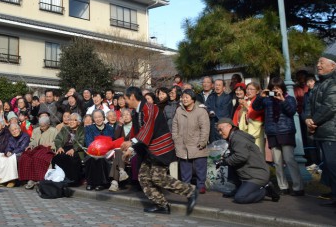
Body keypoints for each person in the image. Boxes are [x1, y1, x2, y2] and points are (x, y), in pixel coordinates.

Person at [120, 86, 198, 215]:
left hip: (162, 149)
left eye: (126, 98)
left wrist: (131, 143)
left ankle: (190, 191)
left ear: (132, 97)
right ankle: (162, 205)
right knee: (143, 177)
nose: (125, 101)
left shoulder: (150, 108)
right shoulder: (135, 112)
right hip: (149, 151)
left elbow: (147, 129)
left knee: (158, 177)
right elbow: (136, 134)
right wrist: (130, 149)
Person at [253, 77, 304, 196]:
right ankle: (283, 186)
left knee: (289, 159)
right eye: (273, 88)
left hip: (286, 132)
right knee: (277, 161)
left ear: (282, 88)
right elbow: (256, 107)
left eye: (278, 88)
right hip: (272, 132)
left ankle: (298, 187)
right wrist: (261, 96)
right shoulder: (267, 100)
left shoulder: (289, 98)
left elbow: (291, 111)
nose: (275, 90)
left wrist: (282, 100)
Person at [215, 118, 279, 204]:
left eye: (221, 129)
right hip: (249, 174)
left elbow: (241, 156)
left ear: (229, 126)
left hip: (257, 176)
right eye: (218, 130)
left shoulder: (237, 138)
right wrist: (224, 160)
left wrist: (225, 161)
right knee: (229, 162)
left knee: (240, 198)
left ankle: (265, 190)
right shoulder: (235, 136)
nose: (220, 133)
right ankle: (238, 188)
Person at [305, 55, 336, 206]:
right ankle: (333, 192)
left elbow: (330, 106)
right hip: (320, 131)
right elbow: (308, 105)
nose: (318, 65)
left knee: (332, 163)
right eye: (318, 62)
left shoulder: (333, 83)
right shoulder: (318, 84)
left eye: (321, 63)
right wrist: (307, 118)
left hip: (331, 132)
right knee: (327, 165)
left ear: (333, 66)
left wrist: (313, 121)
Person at [172, 89, 210, 194]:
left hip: (197, 142)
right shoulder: (179, 110)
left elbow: (205, 128)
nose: (184, 99)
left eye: (187, 97)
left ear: (193, 99)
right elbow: (174, 125)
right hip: (182, 143)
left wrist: (203, 141)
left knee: (200, 166)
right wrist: (175, 137)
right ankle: (186, 185)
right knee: (185, 166)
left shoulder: (201, 111)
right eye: (183, 97)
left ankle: (201, 185)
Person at [18, 108, 58, 189]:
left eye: (43, 126)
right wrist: (30, 145)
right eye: (40, 126)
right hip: (36, 149)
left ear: (48, 124)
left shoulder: (54, 131)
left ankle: (40, 179)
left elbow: (57, 143)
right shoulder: (36, 130)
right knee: (25, 156)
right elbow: (32, 141)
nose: (41, 128)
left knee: (38, 158)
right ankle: (30, 178)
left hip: (47, 150)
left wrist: (50, 144)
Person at [52, 112, 85, 186]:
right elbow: (58, 139)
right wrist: (59, 147)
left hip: (77, 149)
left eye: (74, 120)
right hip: (64, 148)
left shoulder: (82, 130)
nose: (71, 121)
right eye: (70, 120)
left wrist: (74, 149)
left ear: (79, 122)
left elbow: (82, 141)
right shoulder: (65, 129)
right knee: (57, 157)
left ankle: (73, 180)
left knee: (72, 158)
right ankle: (60, 178)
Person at [232, 83, 265, 154]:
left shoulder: (259, 101)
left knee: (257, 152)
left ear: (257, 91)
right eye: (247, 89)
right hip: (245, 132)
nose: (249, 91)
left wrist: (246, 106)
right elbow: (238, 118)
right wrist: (242, 107)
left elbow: (256, 115)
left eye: (251, 89)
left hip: (256, 133)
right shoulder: (245, 101)